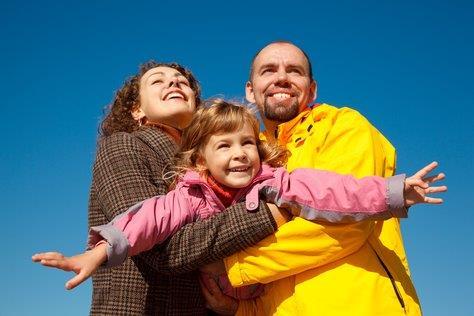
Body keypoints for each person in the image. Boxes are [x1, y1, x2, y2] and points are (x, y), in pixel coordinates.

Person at [33, 101, 446, 301]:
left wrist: (393, 192)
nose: (240, 154)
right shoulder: (189, 195)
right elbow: (147, 218)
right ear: (201, 159)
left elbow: (334, 190)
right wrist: (101, 251)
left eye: (247, 143)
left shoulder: (274, 183)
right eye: (225, 145)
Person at [35, 61, 285, 315]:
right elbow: (163, 249)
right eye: (157, 80)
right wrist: (270, 212)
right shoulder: (124, 145)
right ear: (137, 110)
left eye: (182, 81)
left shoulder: (222, 166)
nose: (174, 82)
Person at [214, 41, 446, 315]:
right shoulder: (248, 157)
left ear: (311, 89)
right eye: (268, 70)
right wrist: (240, 309)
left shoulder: (344, 126)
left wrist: (234, 265)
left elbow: (347, 224)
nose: (281, 78)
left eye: (294, 71)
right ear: (250, 91)